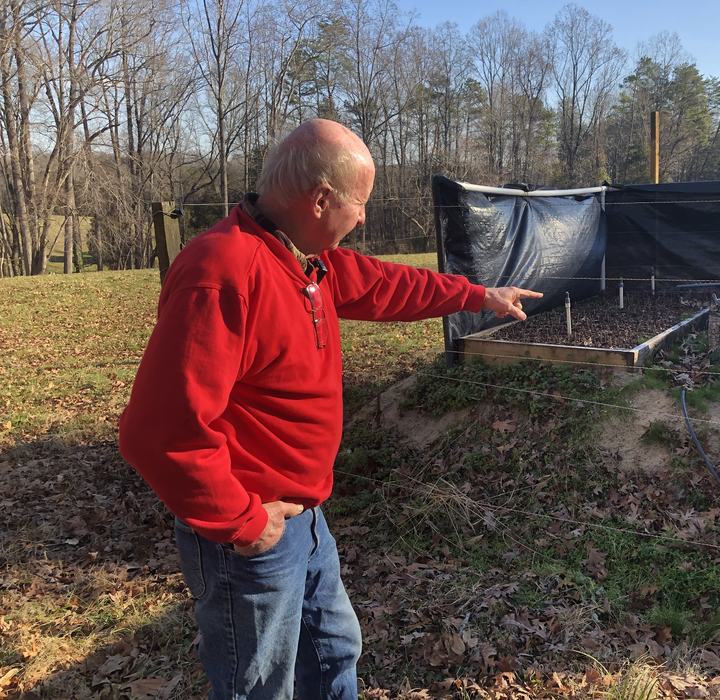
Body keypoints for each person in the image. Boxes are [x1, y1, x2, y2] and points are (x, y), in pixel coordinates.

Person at [118, 118, 542, 700]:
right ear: (320, 200)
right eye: (359, 203)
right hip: (251, 533)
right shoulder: (224, 272)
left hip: (305, 517)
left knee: (333, 652)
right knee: (258, 686)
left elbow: (384, 284)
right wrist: (242, 522)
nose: (363, 218)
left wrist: (477, 296)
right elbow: (160, 430)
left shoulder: (306, 260)